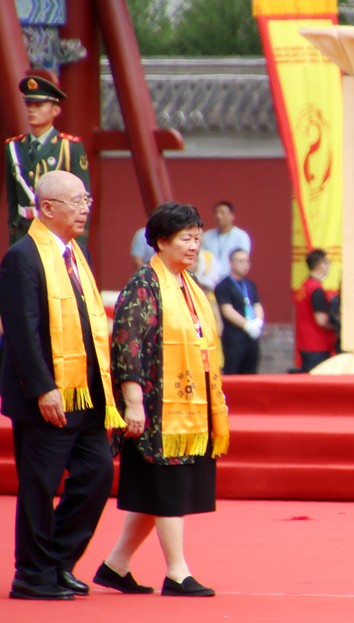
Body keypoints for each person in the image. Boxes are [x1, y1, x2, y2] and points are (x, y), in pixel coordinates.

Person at [93, 202, 229, 598]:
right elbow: (127, 347)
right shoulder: (144, 285)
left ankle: (117, 564)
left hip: (188, 403)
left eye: (197, 239)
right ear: (163, 241)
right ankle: (177, 572)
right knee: (167, 487)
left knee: (158, 490)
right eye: (186, 239)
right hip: (157, 406)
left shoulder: (190, 284)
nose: (194, 246)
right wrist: (133, 402)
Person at [0, 170, 121, 600]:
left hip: (85, 393)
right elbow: (21, 330)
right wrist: (43, 387)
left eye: (87, 200)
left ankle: (58, 561)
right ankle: (32, 574)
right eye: (77, 201)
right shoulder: (23, 257)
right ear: (48, 208)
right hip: (46, 396)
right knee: (40, 484)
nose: (85, 208)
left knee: (97, 474)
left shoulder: (75, 254)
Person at [5, 74, 91, 246]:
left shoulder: (68, 147)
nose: (31, 110)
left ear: (56, 110)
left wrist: (79, 241)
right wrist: (13, 235)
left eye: (38, 105)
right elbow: (12, 199)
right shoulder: (13, 147)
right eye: (29, 105)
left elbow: (83, 198)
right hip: (24, 231)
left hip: (57, 232)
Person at [214, 248, 264, 374]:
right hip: (234, 338)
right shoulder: (223, 286)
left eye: (247, 261)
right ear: (231, 263)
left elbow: (257, 304)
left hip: (251, 338)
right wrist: (247, 325)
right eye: (241, 261)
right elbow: (227, 310)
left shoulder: (250, 284)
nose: (245, 265)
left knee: (251, 372)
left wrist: (258, 321)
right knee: (233, 372)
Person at [293, 248, 338, 372]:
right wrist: (338, 327)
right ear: (321, 265)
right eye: (328, 263)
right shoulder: (316, 290)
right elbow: (321, 320)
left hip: (305, 344)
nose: (329, 267)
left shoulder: (303, 287)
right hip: (317, 346)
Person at [200, 200, 251, 284]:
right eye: (216, 213)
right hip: (209, 282)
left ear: (232, 216)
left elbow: (243, 260)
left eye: (222, 213)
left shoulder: (241, 236)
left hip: (231, 282)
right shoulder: (207, 236)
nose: (218, 216)